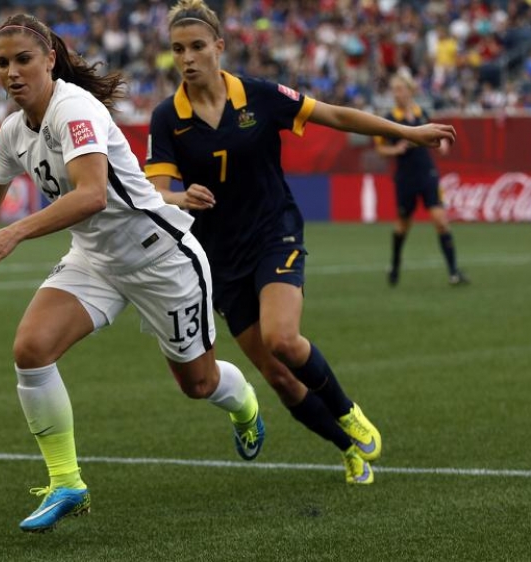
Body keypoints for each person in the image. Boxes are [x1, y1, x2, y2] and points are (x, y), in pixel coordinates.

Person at [0, 13, 264, 533]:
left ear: (49, 60)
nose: (12, 72)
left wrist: (16, 233)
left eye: (23, 60)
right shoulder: (13, 131)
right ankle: (68, 483)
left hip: (160, 257)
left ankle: (243, 405)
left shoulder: (74, 109)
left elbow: (90, 194)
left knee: (198, 384)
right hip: (95, 260)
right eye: (1, 63)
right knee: (30, 350)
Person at [146, 0, 455, 485]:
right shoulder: (168, 118)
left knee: (283, 339)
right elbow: (156, 190)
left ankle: (346, 409)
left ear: (219, 48)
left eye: (197, 47)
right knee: (278, 376)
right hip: (220, 259)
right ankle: (346, 447)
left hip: (274, 230)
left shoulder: (260, 95)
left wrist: (407, 132)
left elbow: (335, 115)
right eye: (178, 49)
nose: (187, 58)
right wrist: (179, 196)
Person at [374, 73, 468, 287]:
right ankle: (395, 265)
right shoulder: (389, 118)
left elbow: (433, 138)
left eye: (400, 89)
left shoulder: (422, 114)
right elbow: (380, 148)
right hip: (405, 177)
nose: (397, 94)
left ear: (410, 91)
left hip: (427, 174)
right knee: (402, 227)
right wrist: (394, 149)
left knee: (441, 222)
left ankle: (454, 272)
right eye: (394, 90)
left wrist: (441, 144)